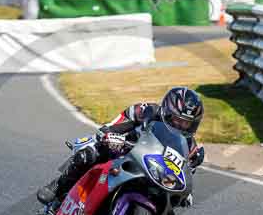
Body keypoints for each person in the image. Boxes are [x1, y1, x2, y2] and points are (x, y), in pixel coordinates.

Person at [37, 87, 205, 206]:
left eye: (187, 123)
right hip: (123, 150)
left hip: (152, 171)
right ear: (167, 111)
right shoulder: (147, 111)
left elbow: (184, 172)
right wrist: (109, 132)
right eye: (177, 119)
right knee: (90, 154)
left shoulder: (190, 147)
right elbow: (120, 121)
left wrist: (186, 192)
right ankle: (58, 186)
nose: (181, 125)